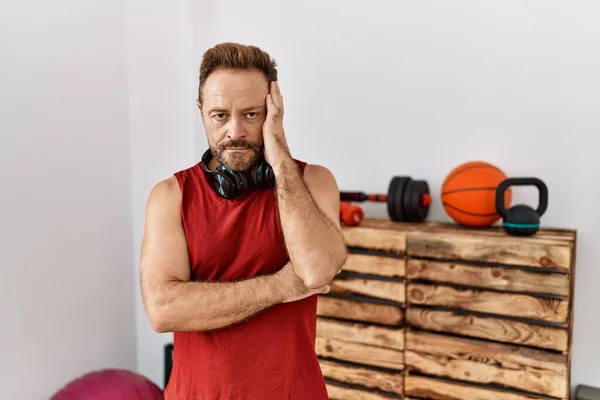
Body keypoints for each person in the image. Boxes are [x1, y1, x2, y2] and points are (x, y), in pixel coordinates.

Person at [139, 42, 348, 399]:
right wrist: (282, 286)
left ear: (273, 109)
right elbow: (163, 309)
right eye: (220, 115)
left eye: (251, 115)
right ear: (201, 111)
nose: (235, 131)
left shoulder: (314, 182)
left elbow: (315, 271)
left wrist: (278, 152)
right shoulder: (169, 197)